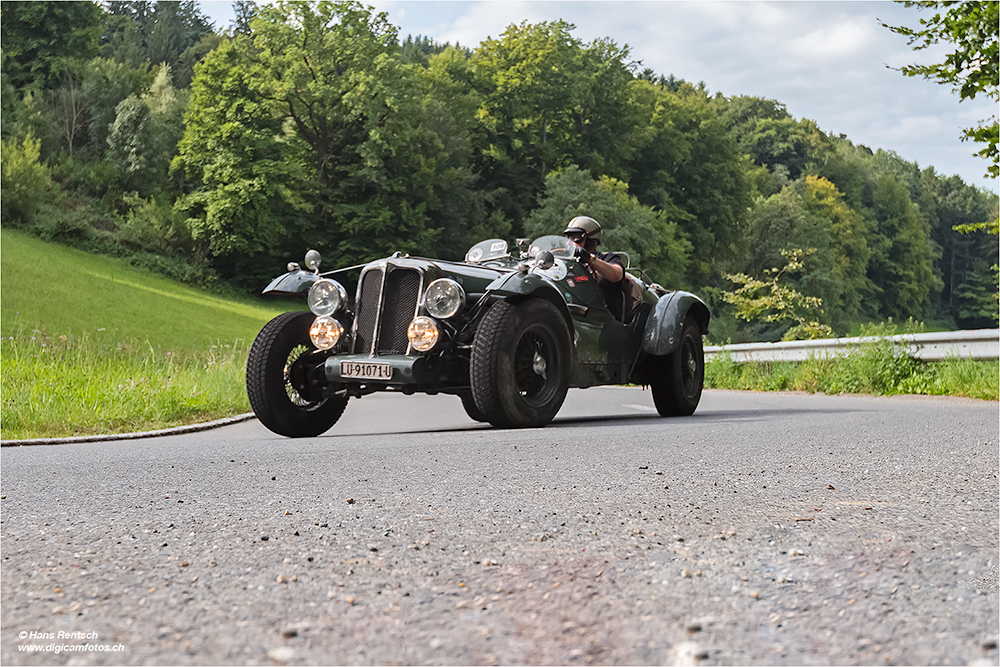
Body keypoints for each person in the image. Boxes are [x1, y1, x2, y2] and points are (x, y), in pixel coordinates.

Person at [562, 215, 630, 320]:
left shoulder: (608, 258)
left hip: (602, 320)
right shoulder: (566, 262)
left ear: (590, 240)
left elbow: (617, 275)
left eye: (575, 237)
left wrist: (589, 259)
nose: (568, 242)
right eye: (568, 237)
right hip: (573, 315)